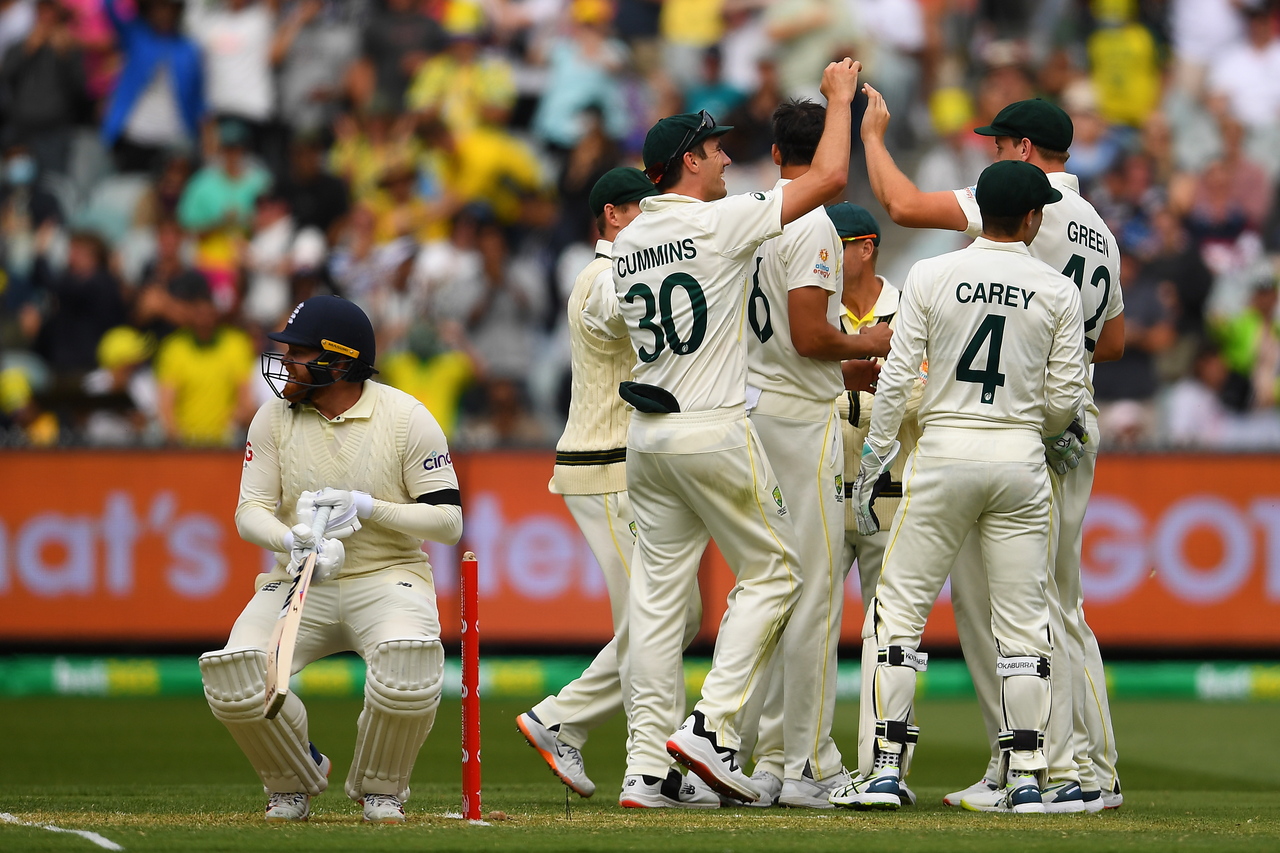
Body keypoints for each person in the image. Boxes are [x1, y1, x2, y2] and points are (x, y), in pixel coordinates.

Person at [860, 90, 1126, 811]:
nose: (991, 155)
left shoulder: (1016, 201)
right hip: (1052, 422)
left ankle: (1055, 768)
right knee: (1054, 604)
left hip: (995, 427)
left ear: (1023, 152)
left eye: (998, 145)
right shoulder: (1100, 228)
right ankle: (1076, 768)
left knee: (998, 606)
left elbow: (904, 206)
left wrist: (874, 135)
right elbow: (1118, 341)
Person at [611, 57, 863, 806]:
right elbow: (828, 185)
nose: (726, 157)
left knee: (657, 604)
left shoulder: (625, 244)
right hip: (712, 426)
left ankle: (645, 768)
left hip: (645, 438)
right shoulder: (717, 223)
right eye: (715, 148)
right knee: (780, 572)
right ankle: (712, 730)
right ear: (688, 161)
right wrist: (841, 100)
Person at [199, 295, 463, 823]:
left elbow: (448, 523)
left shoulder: (405, 417)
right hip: (302, 579)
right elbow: (249, 510)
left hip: (387, 577)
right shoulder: (272, 418)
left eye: (299, 353)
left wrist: (368, 508)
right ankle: (295, 776)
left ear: (339, 362)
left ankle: (379, 788)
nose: (286, 363)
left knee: (408, 661)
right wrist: (289, 540)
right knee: (234, 676)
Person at [516, 167, 710, 808]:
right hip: (605, 466)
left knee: (675, 616)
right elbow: (643, 322)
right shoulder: (604, 279)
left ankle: (562, 719)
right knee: (655, 618)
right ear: (613, 216)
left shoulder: (631, 268)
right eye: (641, 210)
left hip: (625, 465)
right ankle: (655, 766)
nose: (652, 221)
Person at [737, 102, 891, 809]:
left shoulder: (752, 215)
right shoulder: (817, 225)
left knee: (771, 588)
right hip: (804, 426)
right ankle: (803, 762)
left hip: (757, 408)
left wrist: (840, 367)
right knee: (816, 598)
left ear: (774, 153)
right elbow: (810, 333)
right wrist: (872, 344)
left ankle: (765, 754)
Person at [822, 203, 923, 806]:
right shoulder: (811, 310)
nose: (823, 257)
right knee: (811, 625)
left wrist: (863, 386)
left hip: (892, 493)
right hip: (828, 492)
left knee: (890, 632)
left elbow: (922, 395)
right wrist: (851, 381)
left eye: (835, 245)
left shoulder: (912, 307)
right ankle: (805, 763)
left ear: (865, 248)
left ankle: (884, 768)